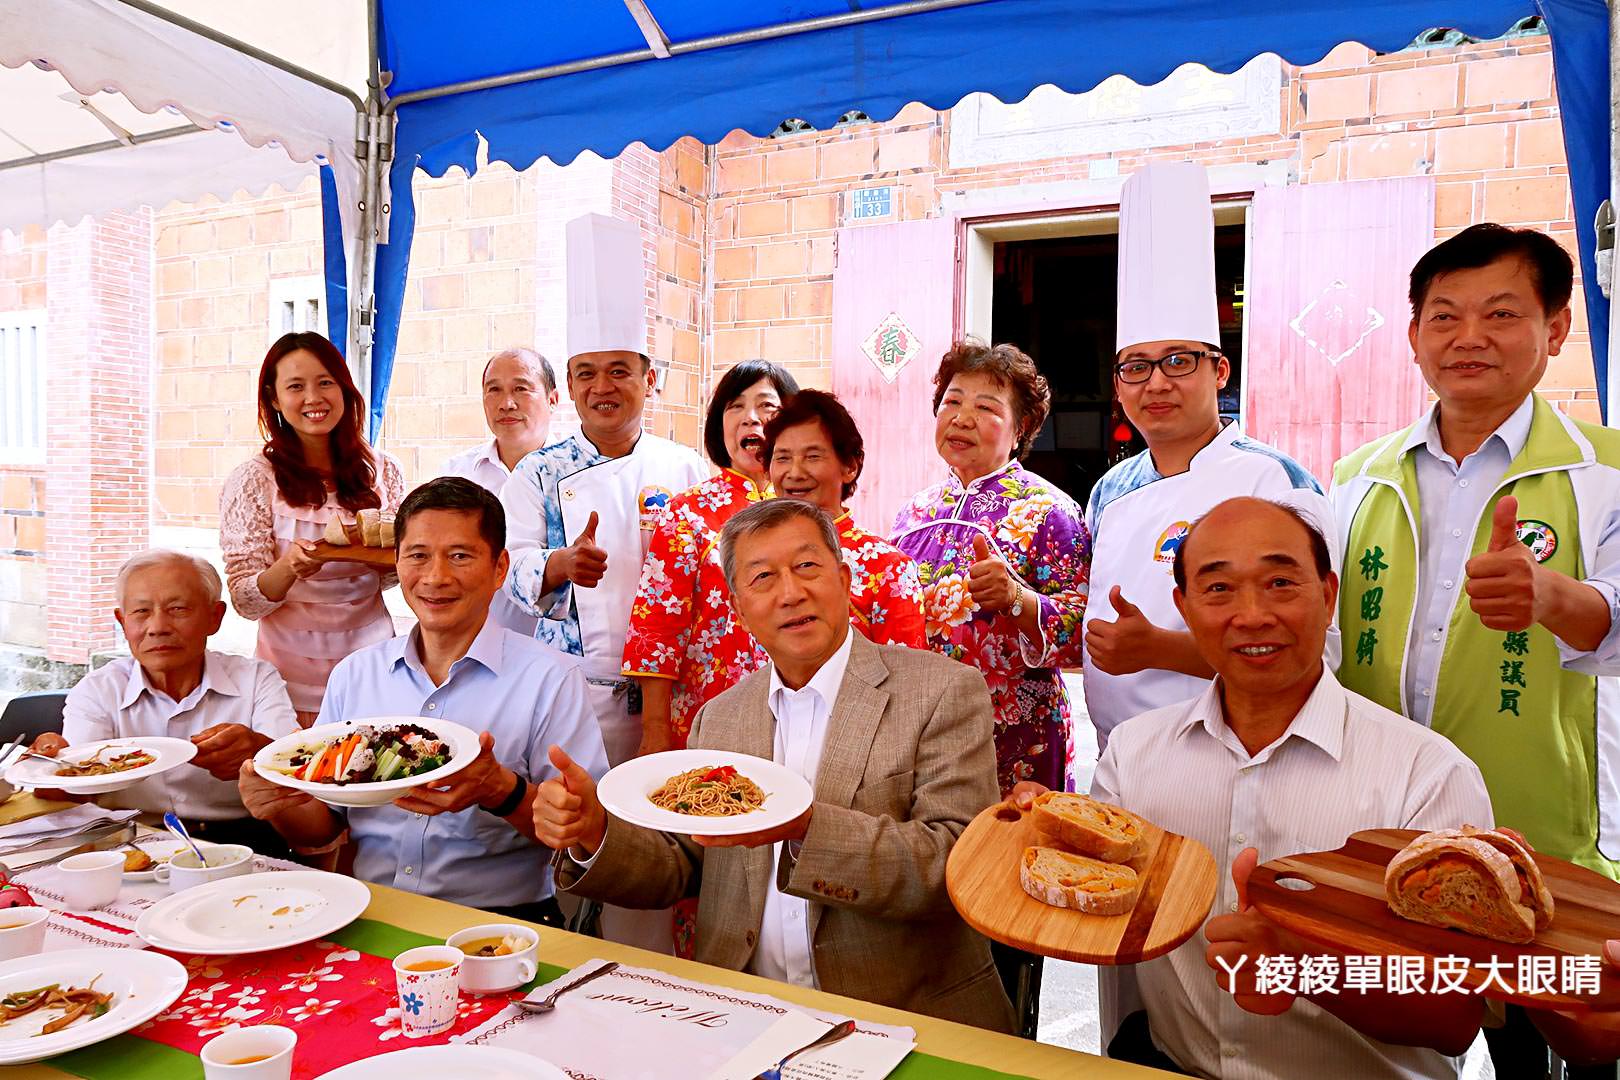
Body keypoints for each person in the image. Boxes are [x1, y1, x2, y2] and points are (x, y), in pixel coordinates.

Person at [1020, 497, 1494, 1077]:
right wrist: (1034, 837)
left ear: (1328, 596)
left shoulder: (1426, 775)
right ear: (1184, 609)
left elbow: (1454, 1014)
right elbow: (1098, 918)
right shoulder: (1134, 754)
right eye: (1218, 589)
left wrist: (1300, 969)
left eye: (1279, 582)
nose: (1252, 615)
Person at [535, 499, 1015, 1030]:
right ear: (739, 609)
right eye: (763, 577)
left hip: (901, 1016)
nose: (790, 592)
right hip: (742, 1016)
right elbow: (683, 866)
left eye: (807, 566)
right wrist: (593, 831)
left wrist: (807, 831)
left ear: (845, 578)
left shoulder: (942, 690)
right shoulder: (719, 718)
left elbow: (955, 863)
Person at [1330, 222, 1620, 1078]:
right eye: (1445, 316)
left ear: (1556, 329)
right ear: (1415, 333)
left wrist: (1556, 598)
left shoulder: (1604, 473)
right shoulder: (1356, 477)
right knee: (1400, 1037)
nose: (1469, 338)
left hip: (1544, 826)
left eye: (1500, 313)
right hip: (1387, 824)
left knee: (1556, 1042)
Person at [238, 478, 607, 923]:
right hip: (370, 914)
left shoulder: (550, 678)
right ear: (397, 562)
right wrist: (280, 803)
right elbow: (327, 824)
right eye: (417, 556)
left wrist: (501, 791)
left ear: (499, 568)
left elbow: (578, 835)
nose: (436, 577)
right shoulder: (355, 675)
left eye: (460, 556)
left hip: (503, 921)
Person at [1081, 162, 1336, 754]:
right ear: (1118, 387)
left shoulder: (1272, 478)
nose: (1157, 383)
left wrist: (1158, 650)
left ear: (1219, 370)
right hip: (1121, 756)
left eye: (1179, 361)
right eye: (1136, 367)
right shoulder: (1110, 492)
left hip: (1241, 750)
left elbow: (1320, 644)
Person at [502, 213, 707, 768]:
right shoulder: (537, 474)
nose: (602, 387)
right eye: (586, 373)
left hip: (676, 682)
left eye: (620, 371)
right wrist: (559, 565)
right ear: (568, 386)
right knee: (578, 820)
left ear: (650, 379)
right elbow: (509, 569)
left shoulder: (687, 469)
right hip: (572, 688)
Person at [892, 340, 1090, 796]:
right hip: (927, 730)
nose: (961, 418)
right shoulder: (911, 514)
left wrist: (1017, 600)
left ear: (1020, 429)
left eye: (985, 407)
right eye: (952, 402)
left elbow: (1083, 631)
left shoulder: (1049, 510)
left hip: (1018, 735)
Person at [30, 550, 298, 852]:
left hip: (242, 841)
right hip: (132, 841)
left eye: (178, 609)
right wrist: (48, 766)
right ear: (122, 621)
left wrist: (259, 753)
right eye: (141, 612)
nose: (158, 627)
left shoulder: (256, 679)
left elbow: (293, 772)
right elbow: (77, 788)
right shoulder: (98, 690)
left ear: (214, 617)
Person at [220, 332, 405, 725]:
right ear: (274, 399)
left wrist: (365, 552)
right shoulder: (254, 479)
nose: (313, 398)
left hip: (373, 667)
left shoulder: (383, 471)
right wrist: (289, 567)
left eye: (325, 382)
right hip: (288, 681)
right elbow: (244, 600)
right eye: (295, 386)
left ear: (344, 388)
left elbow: (396, 572)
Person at [622, 360, 800, 757]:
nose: (750, 418)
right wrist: (655, 731)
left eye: (767, 407)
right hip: (708, 714)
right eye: (735, 406)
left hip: (804, 713)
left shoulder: (810, 511)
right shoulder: (687, 512)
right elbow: (656, 627)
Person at [762, 388, 926, 649]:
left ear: (850, 466)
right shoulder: (756, 557)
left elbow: (909, 679)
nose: (794, 472)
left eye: (812, 457)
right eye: (782, 458)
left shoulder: (888, 568)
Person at [440, 347, 560, 638]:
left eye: (521, 388)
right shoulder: (458, 474)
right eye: (494, 390)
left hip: (555, 652)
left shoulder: (577, 474)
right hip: (470, 648)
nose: (506, 403)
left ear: (552, 399)